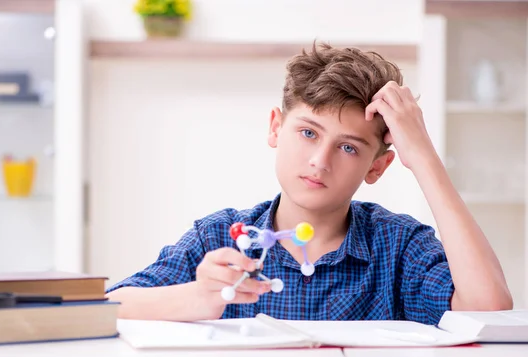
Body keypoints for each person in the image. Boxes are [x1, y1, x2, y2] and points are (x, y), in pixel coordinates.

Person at [106, 41, 512, 325]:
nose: (320, 161)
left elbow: (488, 307)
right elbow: (109, 305)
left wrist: (423, 158)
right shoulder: (219, 237)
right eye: (308, 133)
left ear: (378, 167)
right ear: (275, 128)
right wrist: (196, 296)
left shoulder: (398, 247)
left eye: (349, 148)